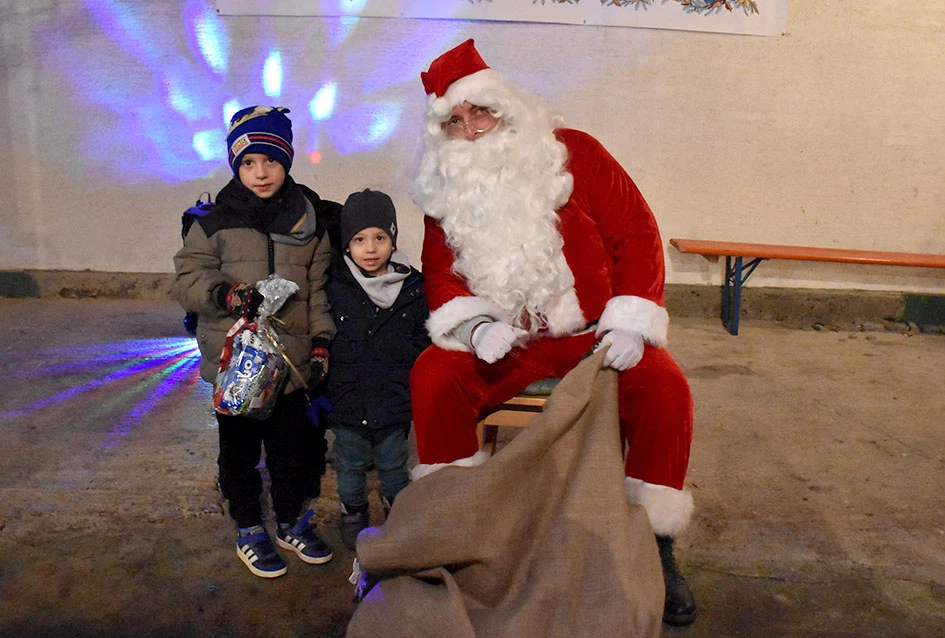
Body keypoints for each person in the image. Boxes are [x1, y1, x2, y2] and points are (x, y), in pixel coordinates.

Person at [408, 40, 697, 625]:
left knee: (666, 390)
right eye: (456, 123)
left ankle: (656, 543)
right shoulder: (445, 190)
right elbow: (440, 275)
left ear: (509, 108)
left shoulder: (577, 154)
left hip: (592, 335)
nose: (472, 131)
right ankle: (451, 526)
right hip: (509, 343)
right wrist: (477, 324)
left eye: (481, 113)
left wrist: (630, 321)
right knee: (433, 377)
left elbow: (637, 236)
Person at [173, 105, 339, 578]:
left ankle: (290, 520)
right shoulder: (212, 222)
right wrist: (226, 293)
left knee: (292, 453)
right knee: (240, 452)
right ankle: (248, 524)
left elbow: (317, 291)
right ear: (234, 165)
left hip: (290, 363)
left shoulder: (307, 223)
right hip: (237, 366)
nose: (260, 172)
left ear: (286, 160)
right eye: (247, 162)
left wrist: (322, 343)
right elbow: (187, 280)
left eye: (270, 160)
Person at [323, 189, 431, 551]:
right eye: (359, 239)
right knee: (349, 464)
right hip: (348, 399)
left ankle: (398, 509)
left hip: (393, 399)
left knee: (393, 462)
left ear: (393, 238)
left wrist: (408, 376)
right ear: (347, 244)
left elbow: (422, 337)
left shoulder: (413, 289)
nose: (370, 249)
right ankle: (353, 512)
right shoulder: (335, 286)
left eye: (380, 238)